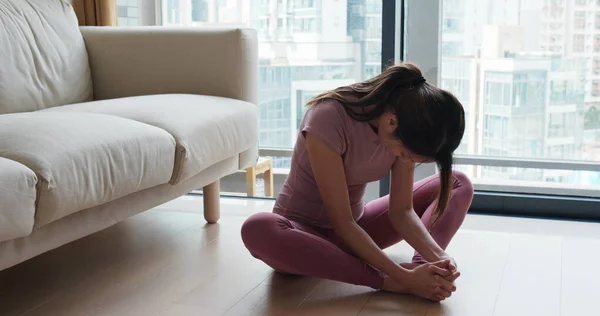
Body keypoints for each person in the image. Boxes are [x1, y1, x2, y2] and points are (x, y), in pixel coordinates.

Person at [241, 62, 474, 302]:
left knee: (458, 183)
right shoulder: (328, 117)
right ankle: (390, 281)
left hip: (356, 232)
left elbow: (402, 212)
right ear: (391, 122)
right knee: (258, 227)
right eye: (407, 155)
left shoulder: (406, 122)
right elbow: (342, 222)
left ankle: (426, 274)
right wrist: (401, 278)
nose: (407, 160)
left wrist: (441, 258)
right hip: (301, 238)